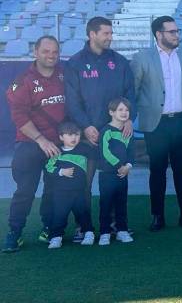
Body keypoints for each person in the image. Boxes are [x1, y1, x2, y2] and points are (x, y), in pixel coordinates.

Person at [64, 17, 134, 239]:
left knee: (115, 181)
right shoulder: (74, 63)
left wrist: (130, 119)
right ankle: (83, 226)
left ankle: (114, 224)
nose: (110, 37)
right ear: (92, 34)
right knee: (83, 184)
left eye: (111, 33)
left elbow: (130, 95)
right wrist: (86, 127)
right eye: (106, 33)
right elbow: (72, 101)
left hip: (114, 137)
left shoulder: (120, 62)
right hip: (88, 137)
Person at [131, 16, 182, 232]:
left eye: (177, 31)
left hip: (181, 121)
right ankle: (157, 216)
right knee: (157, 170)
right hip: (156, 124)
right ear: (159, 34)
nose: (177, 35)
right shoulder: (142, 57)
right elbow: (134, 90)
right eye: (172, 32)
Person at [3, 36, 65, 252]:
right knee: (25, 191)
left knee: (53, 190)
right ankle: (15, 233)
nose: (51, 56)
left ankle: (48, 228)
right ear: (35, 52)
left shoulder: (64, 76)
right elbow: (19, 117)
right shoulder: (23, 81)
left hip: (57, 146)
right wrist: (41, 140)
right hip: (30, 145)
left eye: (55, 52)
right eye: (46, 51)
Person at [44, 121, 95, 249]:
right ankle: (56, 237)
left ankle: (89, 233)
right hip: (61, 192)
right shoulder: (56, 151)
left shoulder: (84, 149)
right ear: (61, 137)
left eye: (77, 135)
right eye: (70, 135)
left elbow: (97, 154)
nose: (74, 138)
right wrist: (61, 172)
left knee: (83, 213)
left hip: (79, 191)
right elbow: (48, 168)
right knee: (59, 214)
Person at [98, 98, 135, 246]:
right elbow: (105, 152)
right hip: (107, 175)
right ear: (111, 112)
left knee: (121, 203)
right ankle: (104, 232)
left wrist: (128, 167)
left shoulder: (128, 132)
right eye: (120, 110)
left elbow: (131, 152)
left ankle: (122, 231)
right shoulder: (106, 131)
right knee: (106, 204)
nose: (124, 113)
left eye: (126, 110)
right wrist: (119, 165)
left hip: (123, 174)